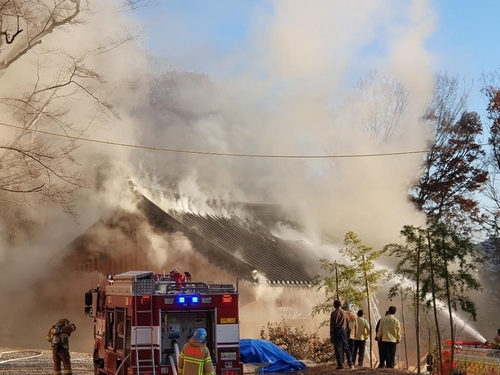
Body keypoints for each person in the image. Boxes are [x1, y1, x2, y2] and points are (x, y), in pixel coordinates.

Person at [330, 300, 354, 370]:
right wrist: (349, 332)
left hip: (336, 331)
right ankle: (350, 364)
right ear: (340, 305)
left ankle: (340, 365)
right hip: (343, 330)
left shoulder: (333, 314)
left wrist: (331, 335)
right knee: (346, 347)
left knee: (337, 348)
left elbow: (332, 325)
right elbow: (348, 323)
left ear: (334, 306)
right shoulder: (345, 313)